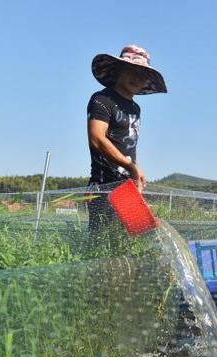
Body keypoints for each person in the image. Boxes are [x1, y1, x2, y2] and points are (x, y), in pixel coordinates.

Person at [86, 44, 167, 231]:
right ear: (119, 70)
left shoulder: (135, 109)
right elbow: (97, 139)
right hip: (104, 187)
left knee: (133, 236)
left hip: (127, 187)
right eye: (132, 71)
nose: (137, 78)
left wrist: (135, 175)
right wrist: (129, 166)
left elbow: (130, 143)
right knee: (102, 241)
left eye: (143, 75)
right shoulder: (102, 100)